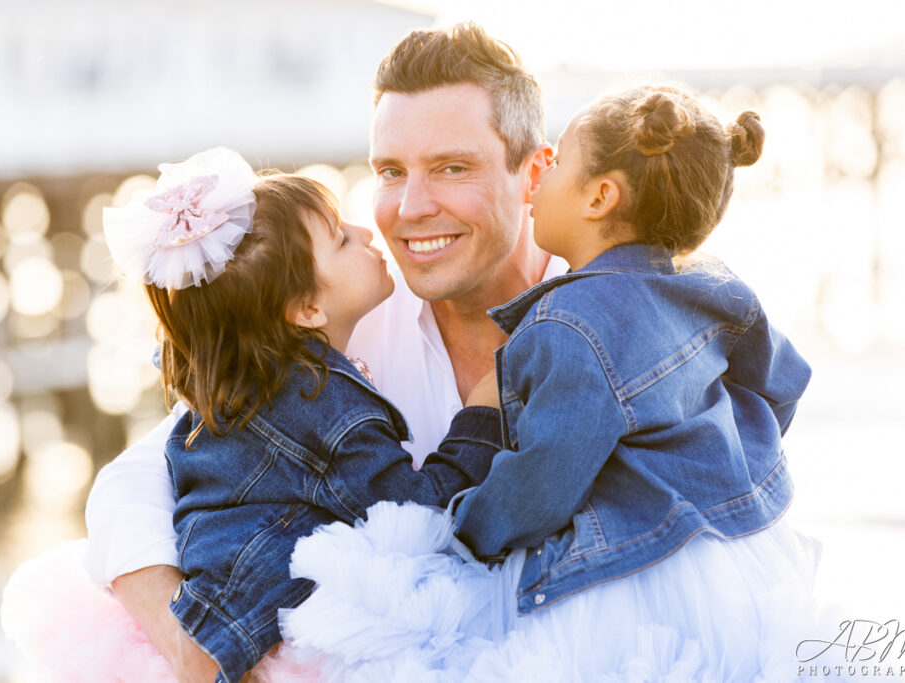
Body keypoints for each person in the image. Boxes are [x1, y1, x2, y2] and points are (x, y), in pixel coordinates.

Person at [277, 85, 831, 680]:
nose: (536, 186)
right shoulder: (713, 286)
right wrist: (720, 456)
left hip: (627, 579)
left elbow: (544, 479)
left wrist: (466, 527)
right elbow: (783, 383)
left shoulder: (566, 325)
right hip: (743, 557)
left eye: (558, 162)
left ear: (599, 196)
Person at [79, 22, 561, 680]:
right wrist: (200, 650)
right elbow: (132, 484)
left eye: (452, 167)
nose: (407, 210)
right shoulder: (337, 319)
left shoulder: (612, 312)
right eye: (390, 172)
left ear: (535, 172)